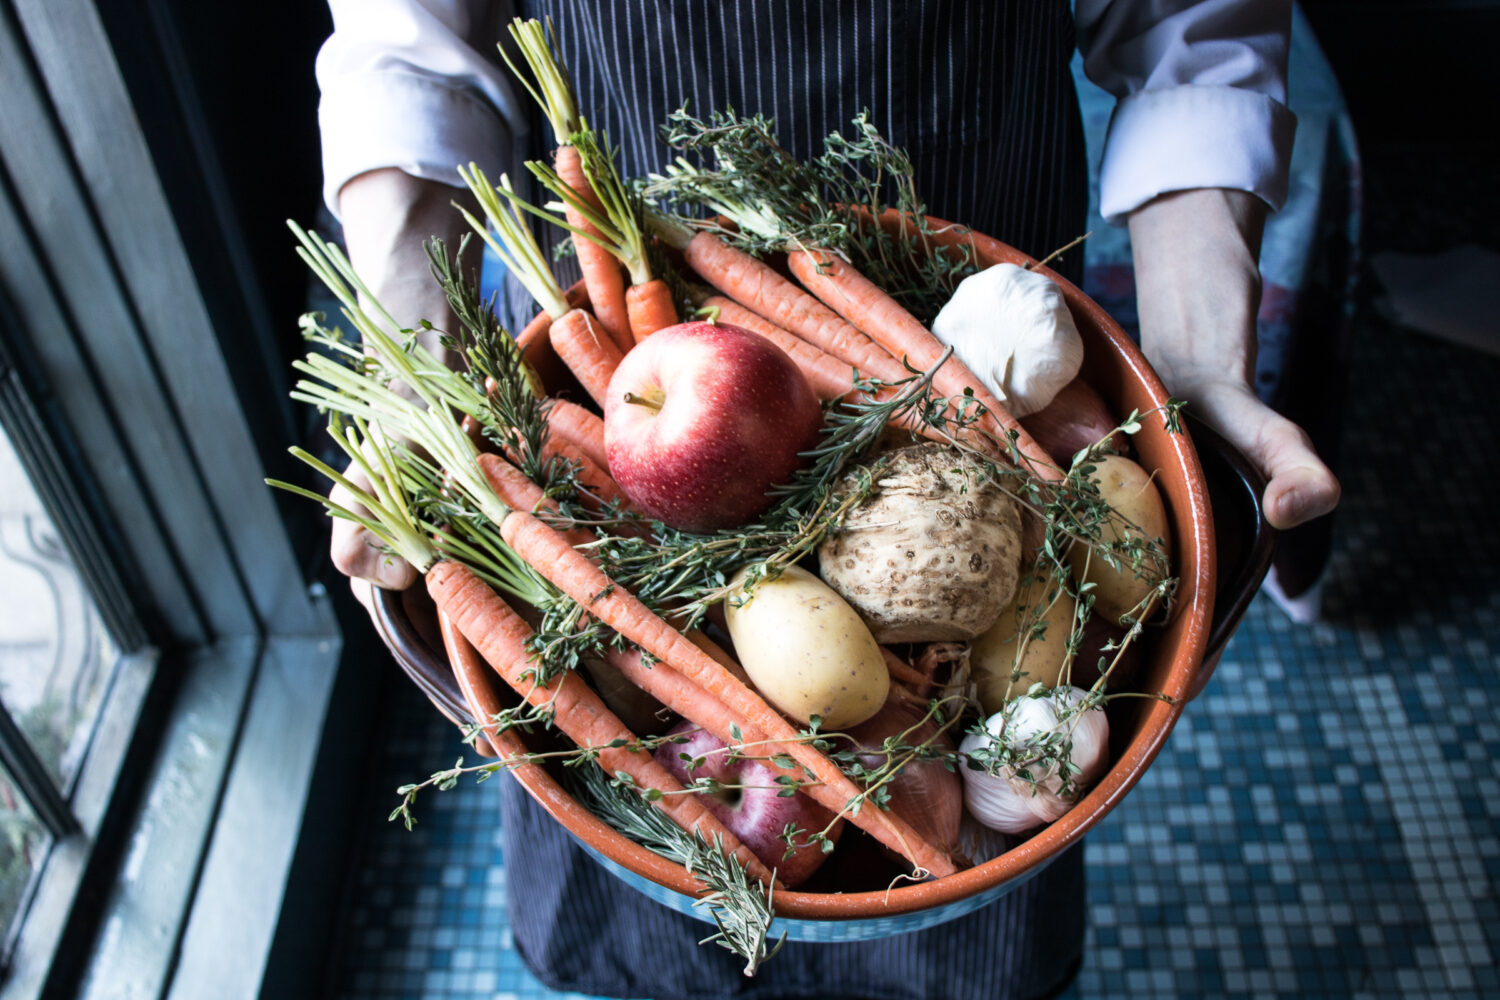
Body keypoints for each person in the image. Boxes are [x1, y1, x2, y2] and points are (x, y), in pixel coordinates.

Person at [315, 3, 1341, 997]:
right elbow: (408, 52)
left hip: (945, 290)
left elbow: (1190, 34)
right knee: (626, 830)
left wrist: (1197, 366)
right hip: (636, 298)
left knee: (976, 892)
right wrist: (416, 381)